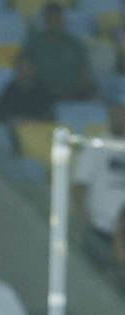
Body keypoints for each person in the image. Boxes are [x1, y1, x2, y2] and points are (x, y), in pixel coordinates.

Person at [73, 104, 125, 248]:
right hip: (99, 225)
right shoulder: (96, 146)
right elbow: (79, 184)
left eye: (122, 116)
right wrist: (82, 219)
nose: (119, 120)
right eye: (115, 116)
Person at [22, 3, 94, 102]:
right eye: (51, 19)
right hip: (40, 96)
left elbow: (84, 73)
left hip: (71, 95)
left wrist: (80, 91)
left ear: (63, 20)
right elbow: (25, 70)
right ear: (45, 20)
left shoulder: (75, 44)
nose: (54, 23)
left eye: (58, 19)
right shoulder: (34, 43)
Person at [0, 53, 55, 123]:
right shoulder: (10, 89)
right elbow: (1, 115)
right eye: (20, 67)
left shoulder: (43, 90)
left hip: (37, 130)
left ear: (34, 69)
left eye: (27, 67)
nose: (24, 71)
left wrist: (27, 121)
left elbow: (49, 117)